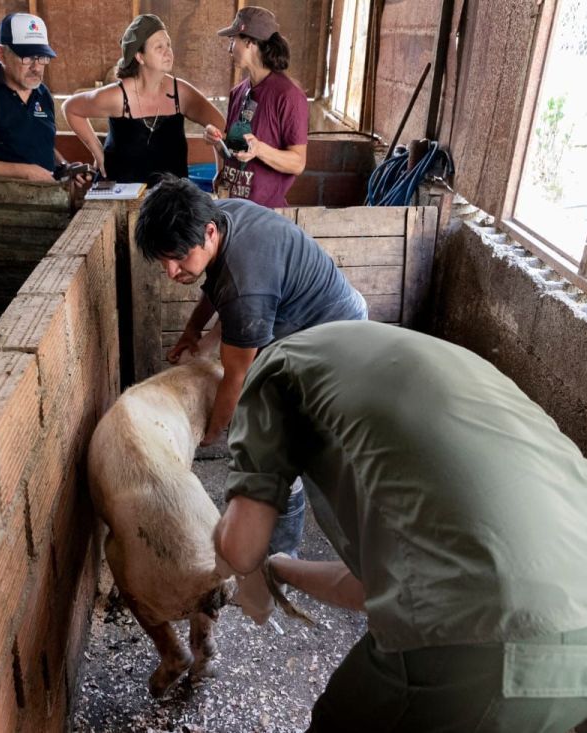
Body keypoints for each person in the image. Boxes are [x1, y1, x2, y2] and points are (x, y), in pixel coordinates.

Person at [214, 321, 587, 732]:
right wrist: (281, 569)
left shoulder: (275, 367)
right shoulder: (422, 365)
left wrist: (244, 563)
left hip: (488, 637)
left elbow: (240, 549)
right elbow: (384, 593)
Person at [135, 175, 365, 557]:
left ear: (208, 233)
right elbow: (216, 283)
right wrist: (194, 331)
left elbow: (236, 377)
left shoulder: (246, 285)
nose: (172, 272)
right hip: (305, 315)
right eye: (164, 262)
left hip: (336, 339)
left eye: (178, 259)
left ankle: (279, 560)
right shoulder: (222, 216)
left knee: (277, 454)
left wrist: (208, 432)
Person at [63, 14, 225, 185]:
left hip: (172, 199)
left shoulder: (181, 93)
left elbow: (220, 127)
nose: (168, 51)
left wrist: (220, 170)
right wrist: (98, 152)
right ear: (140, 56)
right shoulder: (118, 96)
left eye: (168, 44)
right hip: (119, 196)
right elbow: (70, 108)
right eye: (159, 47)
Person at [0, 13, 88, 183]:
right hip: (6, 204)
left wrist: (63, 167)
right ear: (1, 54)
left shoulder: (42, 93)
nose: (36, 67)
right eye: (27, 58)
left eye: (42, 57)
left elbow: (41, 144)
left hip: (45, 198)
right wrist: (25, 172)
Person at [206, 6, 309, 207]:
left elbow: (298, 163)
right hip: (232, 207)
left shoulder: (289, 95)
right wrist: (217, 141)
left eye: (232, 40)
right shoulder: (238, 92)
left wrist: (260, 150)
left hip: (264, 215)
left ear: (250, 42)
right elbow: (235, 152)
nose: (229, 49)